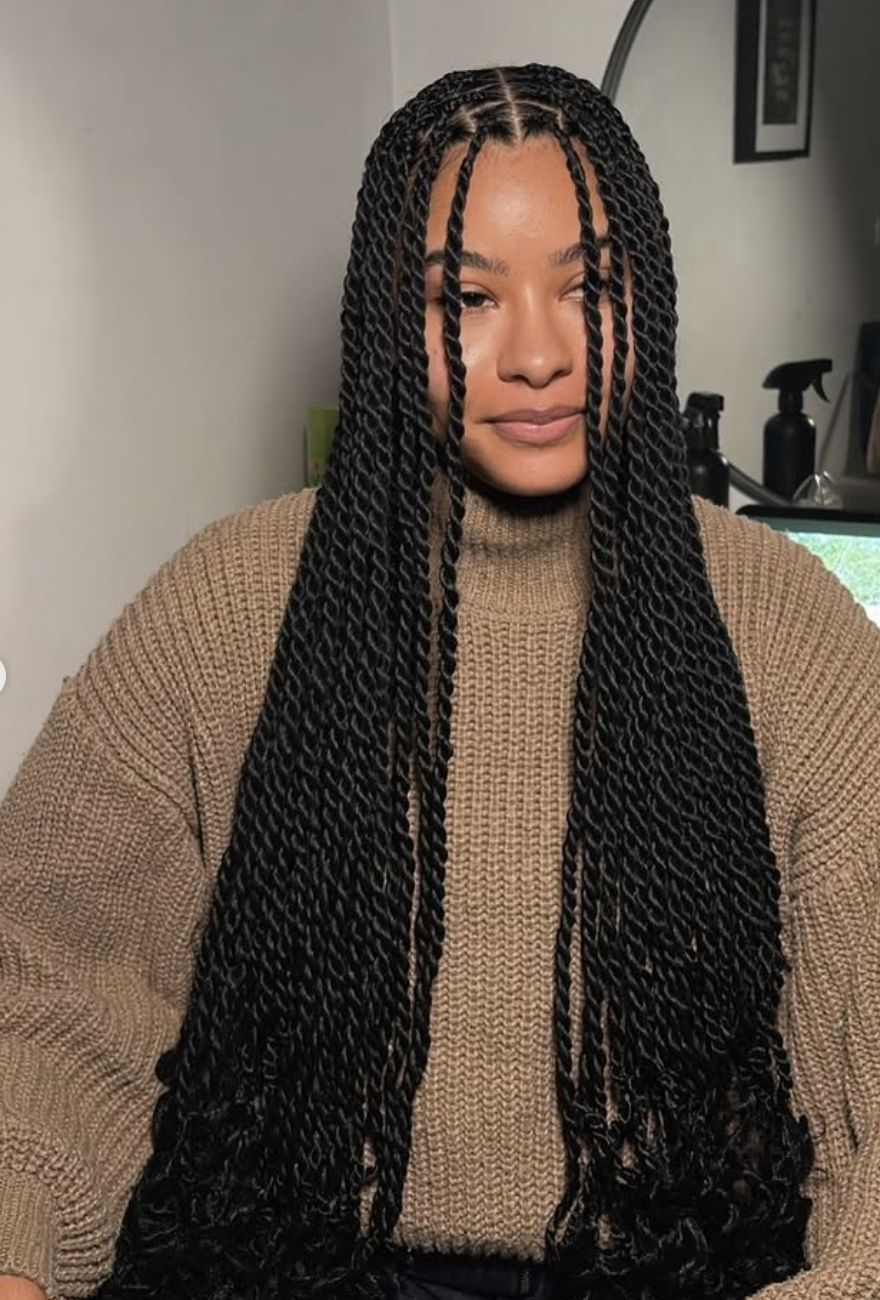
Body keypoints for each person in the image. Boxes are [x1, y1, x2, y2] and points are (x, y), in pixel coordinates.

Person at [1, 63, 879, 1300]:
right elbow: (52, 988)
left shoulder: (790, 635)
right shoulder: (220, 608)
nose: (534, 351)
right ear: (382, 315)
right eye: (466, 296)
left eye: (589, 289)